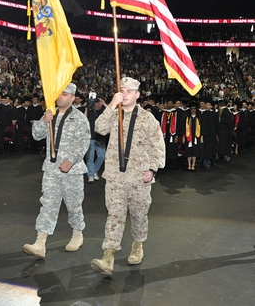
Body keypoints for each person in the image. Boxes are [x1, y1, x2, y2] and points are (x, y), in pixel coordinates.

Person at [90, 77, 165, 276]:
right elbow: (99, 128)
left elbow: (158, 145)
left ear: (138, 95)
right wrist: (111, 106)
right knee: (114, 214)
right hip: (115, 175)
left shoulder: (148, 119)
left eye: (129, 91)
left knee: (139, 214)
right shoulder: (114, 114)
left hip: (139, 177)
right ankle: (108, 256)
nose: (124, 94)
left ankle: (138, 244)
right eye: (122, 90)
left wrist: (153, 168)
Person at [23, 83, 90, 258]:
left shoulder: (79, 118)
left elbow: (83, 143)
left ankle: (77, 234)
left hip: (72, 171)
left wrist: (71, 160)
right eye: (59, 93)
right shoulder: (50, 114)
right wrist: (43, 121)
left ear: (73, 98)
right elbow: (36, 135)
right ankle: (40, 243)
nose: (60, 96)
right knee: (48, 204)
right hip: (51, 170)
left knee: (74, 205)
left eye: (65, 94)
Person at [86, 97, 107, 183]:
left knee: (102, 156)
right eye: (96, 102)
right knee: (90, 158)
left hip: (100, 138)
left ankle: (94, 170)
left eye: (100, 103)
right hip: (90, 137)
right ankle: (91, 175)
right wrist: (87, 106)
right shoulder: (89, 110)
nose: (98, 104)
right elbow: (84, 119)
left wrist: (104, 104)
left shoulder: (104, 111)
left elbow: (113, 113)